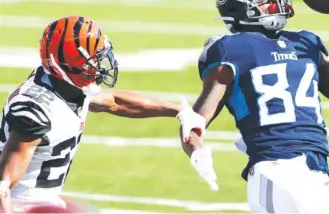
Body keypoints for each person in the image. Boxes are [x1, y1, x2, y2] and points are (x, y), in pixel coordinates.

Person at [178, 0, 329, 213]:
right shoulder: (230, 49)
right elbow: (196, 122)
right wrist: (197, 150)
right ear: (237, 2)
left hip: (316, 168)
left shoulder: (305, 43)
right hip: (274, 167)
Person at [0, 16, 204, 213]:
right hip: (22, 207)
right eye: (91, 61)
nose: (98, 66)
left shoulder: (63, 84)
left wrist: (179, 111)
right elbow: (3, 187)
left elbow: (113, 102)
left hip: (44, 204)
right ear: (69, 66)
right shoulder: (35, 110)